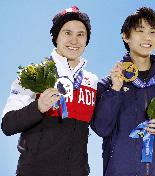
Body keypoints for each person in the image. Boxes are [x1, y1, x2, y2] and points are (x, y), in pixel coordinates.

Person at [91, 7, 155, 176]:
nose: (147, 37)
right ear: (125, 35)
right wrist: (115, 90)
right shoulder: (108, 84)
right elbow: (101, 128)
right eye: (140, 31)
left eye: (153, 32)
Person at [1, 6, 98, 176]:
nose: (74, 40)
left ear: (86, 39)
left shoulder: (92, 82)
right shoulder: (34, 76)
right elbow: (7, 125)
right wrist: (38, 107)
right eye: (67, 33)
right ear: (56, 37)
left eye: (80, 34)